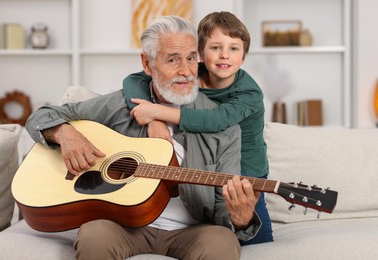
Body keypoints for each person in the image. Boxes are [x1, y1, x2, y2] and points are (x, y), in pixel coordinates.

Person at [25, 16, 260, 260]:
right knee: (93, 234)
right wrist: (64, 133)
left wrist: (240, 219)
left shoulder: (225, 129)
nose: (186, 71)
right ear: (147, 64)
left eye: (191, 58)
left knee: (223, 242)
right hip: (125, 226)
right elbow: (41, 116)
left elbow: (223, 209)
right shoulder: (119, 104)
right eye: (172, 60)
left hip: (191, 231)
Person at [123, 11, 273, 244]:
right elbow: (133, 80)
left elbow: (216, 120)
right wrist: (154, 122)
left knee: (253, 237)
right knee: (209, 223)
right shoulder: (191, 74)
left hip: (246, 169)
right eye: (215, 47)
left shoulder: (250, 93)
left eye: (234, 48)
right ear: (200, 53)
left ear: (244, 56)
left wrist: (156, 112)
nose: (225, 55)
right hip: (210, 164)